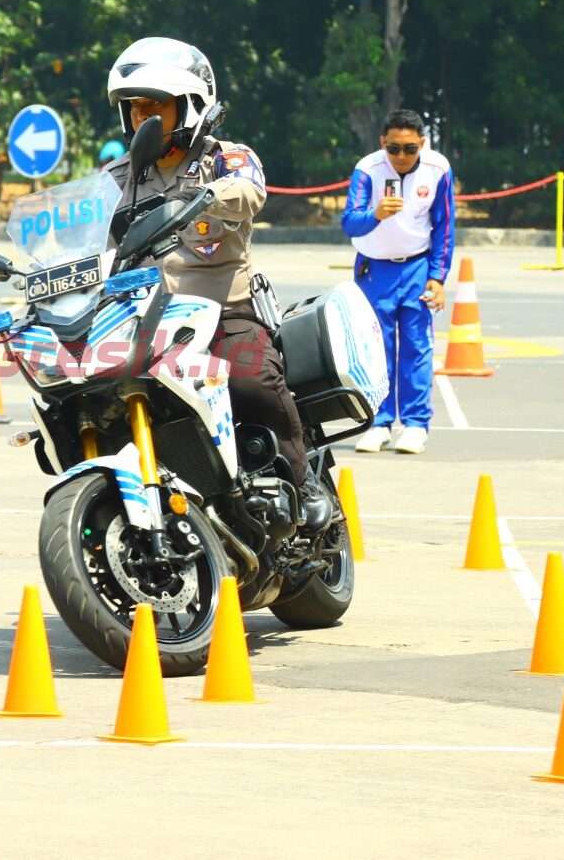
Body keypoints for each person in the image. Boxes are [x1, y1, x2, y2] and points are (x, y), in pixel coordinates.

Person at [102, 36, 329, 531]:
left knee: (252, 382)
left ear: (190, 107)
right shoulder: (118, 178)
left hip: (222, 312)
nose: (145, 119)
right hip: (142, 320)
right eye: (136, 109)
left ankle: (303, 478)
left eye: (156, 106)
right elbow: (80, 232)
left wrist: (203, 196)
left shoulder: (227, 159)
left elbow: (250, 193)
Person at [341, 109, 455, 454]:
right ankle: (379, 422)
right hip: (374, 269)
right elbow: (350, 223)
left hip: (417, 268)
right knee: (377, 349)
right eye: (393, 149)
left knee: (417, 346)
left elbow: (445, 227)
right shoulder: (368, 170)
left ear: (422, 143)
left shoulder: (438, 169)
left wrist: (438, 277)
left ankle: (416, 424)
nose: (401, 157)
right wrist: (376, 214)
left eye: (409, 149)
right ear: (382, 144)